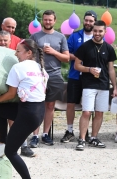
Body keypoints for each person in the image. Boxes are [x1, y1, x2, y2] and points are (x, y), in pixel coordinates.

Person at [0, 39, 48, 179]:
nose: (15, 53)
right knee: (0, 110)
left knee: (12, 152)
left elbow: (10, 94)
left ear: (29, 52)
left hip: (28, 113)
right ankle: (3, 142)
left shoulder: (18, 67)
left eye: (18, 51)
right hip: (38, 111)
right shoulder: (41, 68)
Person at [0, 30, 35, 157]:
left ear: (10, 41)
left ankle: (23, 145)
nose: (2, 43)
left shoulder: (16, 55)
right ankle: (2, 145)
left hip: (14, 91)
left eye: (5, 40)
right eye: (0, 40)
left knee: (15, 119)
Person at [74, 20, 117, 151]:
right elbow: (77, 65)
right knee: (87, 112)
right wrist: (89, 69)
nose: (97, 33)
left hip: (104, 85)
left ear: (105, 32)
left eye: (100, 31)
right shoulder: (85, 46)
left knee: (99, 113)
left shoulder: (109, 48)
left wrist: (115, 87)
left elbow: (111, 69)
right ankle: (81, 139)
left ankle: (94, 137)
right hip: (88, 84)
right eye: (95, 31)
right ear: (92, 31)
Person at [29, 10, 69, 147]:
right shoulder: (35, 36)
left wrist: (53, 52)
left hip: (55, 76)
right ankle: (34, 135)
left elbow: (67, 58)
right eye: (45, 19)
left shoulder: (61, 37)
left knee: (50, 105)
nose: (47, 22)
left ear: (54, 21)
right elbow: (28, 55)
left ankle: (45, 134)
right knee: (37, 105)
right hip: (37, 75)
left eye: (50, 20)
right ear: (42, 21)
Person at [60, 10, 97, 143]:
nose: (88, 23)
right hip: (75, 75)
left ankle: (85, 131)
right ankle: (69, 130)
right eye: (86, 20)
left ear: (95, 22)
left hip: (91, 77)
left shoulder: (99, 37)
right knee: (70, 103)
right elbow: (67, 54)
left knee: (88, 106)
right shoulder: (75, 36)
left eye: (91, 21)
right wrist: (80, 58)